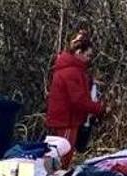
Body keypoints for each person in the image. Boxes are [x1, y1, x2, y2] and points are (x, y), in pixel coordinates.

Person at [45, 29, 106, 165]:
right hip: (67, 120)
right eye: (88, 55)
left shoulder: (69, 68)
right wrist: (99, 108)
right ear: (79, 53)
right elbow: (78, 100)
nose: (89, 59)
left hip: (64, 119)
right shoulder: (72, 72)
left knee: (57, 155)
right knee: (63, 155)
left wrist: (90, 82)